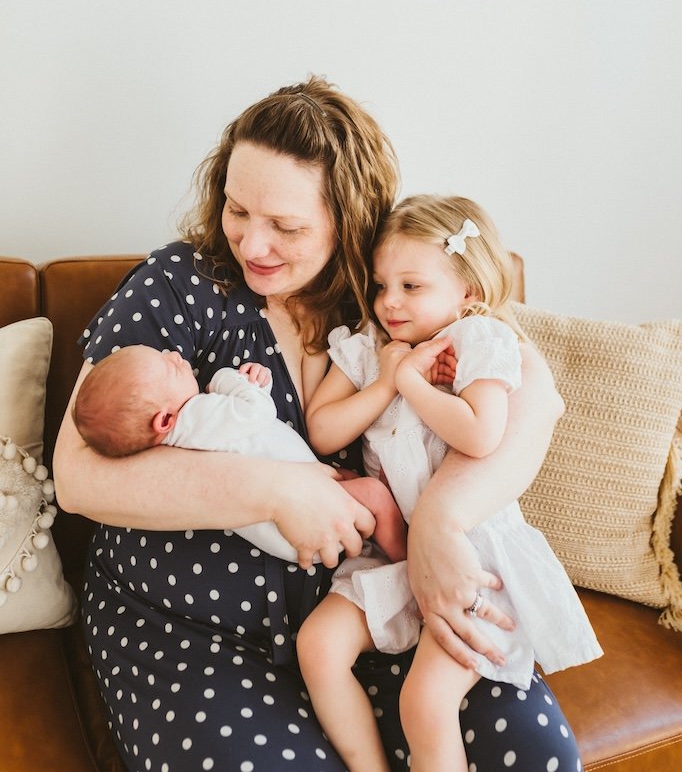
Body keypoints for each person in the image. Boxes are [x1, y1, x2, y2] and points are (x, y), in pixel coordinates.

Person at [53, 75, 583, 772]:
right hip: (188, 628)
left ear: (348, 222)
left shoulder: (387, 292)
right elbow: (77, 474)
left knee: (533, 750)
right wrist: (275, 491)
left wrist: (439, 524)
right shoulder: (179, 284)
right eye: (237, 209)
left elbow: (535, 396)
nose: (252, 242)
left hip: (366, 605)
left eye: (288, 226)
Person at [300, 194, 602, 772]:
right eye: (381, 284)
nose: (389, 302)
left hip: (473, 557)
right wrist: (387, 381)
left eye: (411, 287)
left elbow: (481, 435)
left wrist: (415, 385)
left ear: (467, 292)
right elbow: (321, 428)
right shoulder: (369, 347)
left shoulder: (477, 342)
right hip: (392, 553)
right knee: (317, 647)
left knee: (425, 702)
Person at [72, 345, 407, 565]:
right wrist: (227, 379)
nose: (175, 355)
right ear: (164, 420)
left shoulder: (180, 437)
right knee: (376, 494)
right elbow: (257, 412)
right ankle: (407, 565)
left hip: (294, 527)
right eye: (170, 368)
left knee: (359, 488)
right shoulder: (196, 415)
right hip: (309, 524)